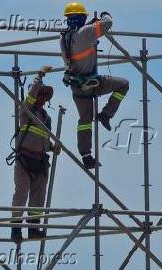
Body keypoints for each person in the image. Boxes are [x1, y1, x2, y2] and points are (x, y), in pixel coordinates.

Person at [60, 2, 129, 169]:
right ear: (82, 18)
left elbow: (83, 37)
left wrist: (91, 25)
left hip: (77, 86)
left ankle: (86, 155)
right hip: (94, 82)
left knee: (85, 120)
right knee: (123, 85)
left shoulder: (64, 39)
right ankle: (106, 114)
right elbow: (108, 23)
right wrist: (105, 14)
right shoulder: (87, 32)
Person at [10, 65, 61, 242]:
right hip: (25, 159)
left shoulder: (46, 118)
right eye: (40, 94)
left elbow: (43, 141)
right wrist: (40, 75)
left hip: (40, 161)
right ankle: (16, 229)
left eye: (44, 95)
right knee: (21, 193)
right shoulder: (26, 111)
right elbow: (31, 94)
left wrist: (53, 147)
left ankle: (33, 228)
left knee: (38, 197)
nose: (41, 97)